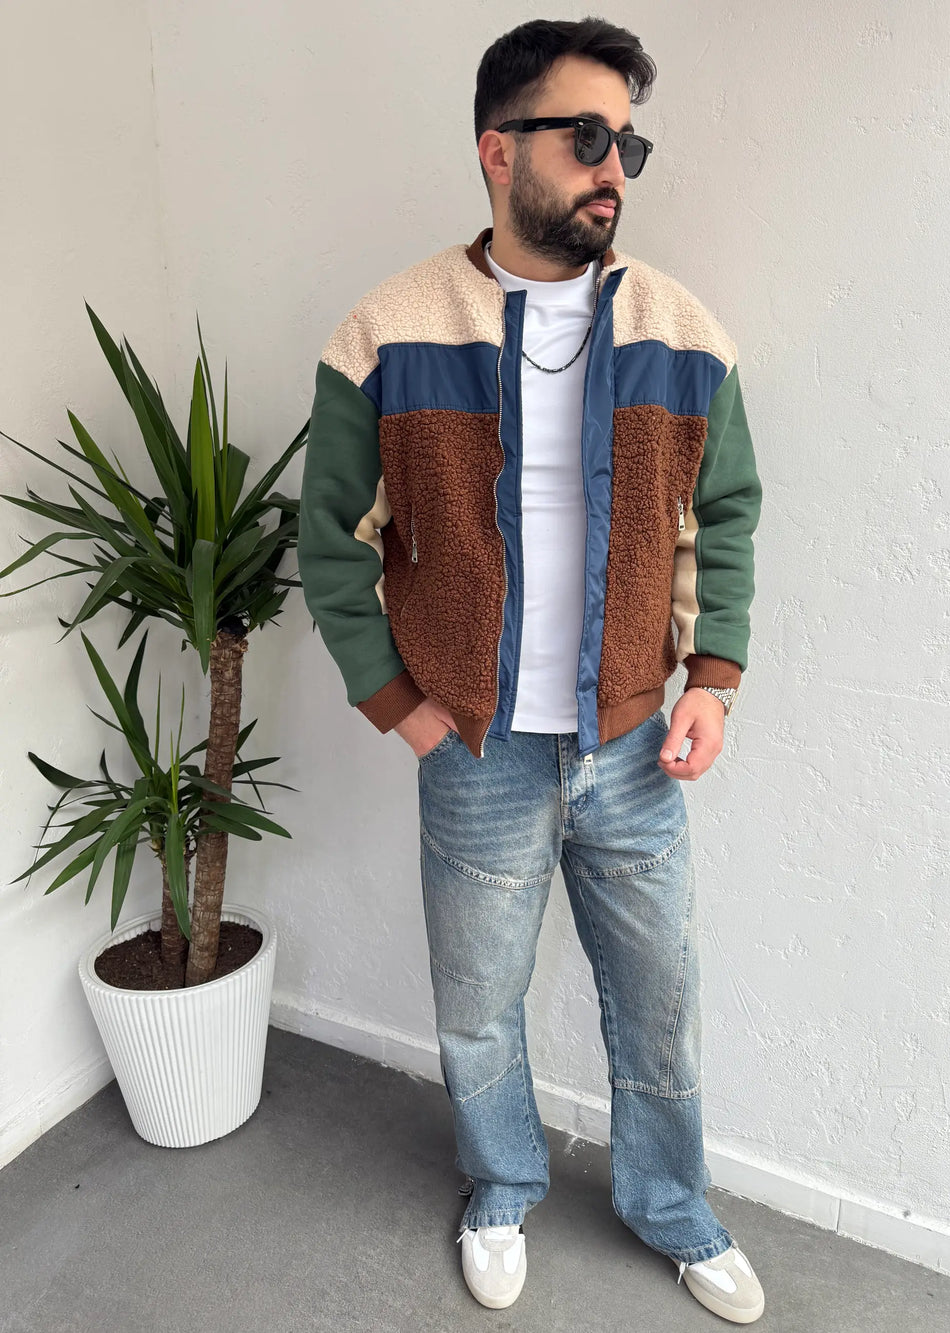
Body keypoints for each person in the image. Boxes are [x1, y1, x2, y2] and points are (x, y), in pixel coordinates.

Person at [298, 15, 764, 1323]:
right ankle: (500, 1184)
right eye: (589, 137)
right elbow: (331, 541)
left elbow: (722, 519)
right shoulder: (389, 331)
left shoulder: (683, 334)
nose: (615, 169)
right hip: (476, 749)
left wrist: (712, 679)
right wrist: (403, 707)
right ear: (498, 150)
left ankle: (671, 1202)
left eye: (630, 145)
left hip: (633, 747)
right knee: (477, 1003)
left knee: (660, 1004)